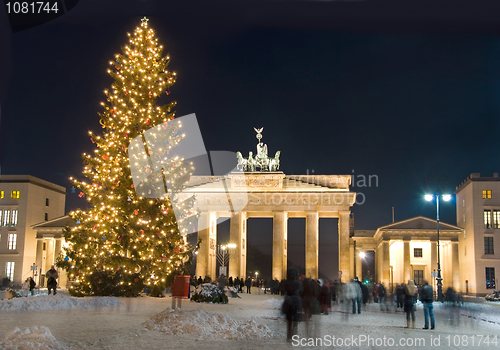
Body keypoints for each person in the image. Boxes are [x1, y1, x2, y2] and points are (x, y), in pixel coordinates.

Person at [281, 268, 302, 342]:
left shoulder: (286, 282)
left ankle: (288, 336)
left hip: (288, 300)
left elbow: (282, 290)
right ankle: (294, 335)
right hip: (296, 300)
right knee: (295, 320)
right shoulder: (298, 283)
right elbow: (301, 291)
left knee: (289, 320)